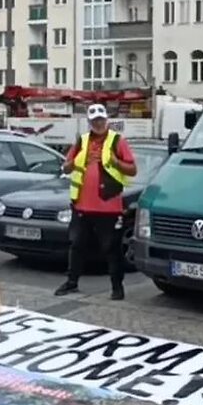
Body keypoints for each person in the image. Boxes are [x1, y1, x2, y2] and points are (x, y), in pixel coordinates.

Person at [54, 104, 137, 301]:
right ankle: (72, 282)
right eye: (94, 120)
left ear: (106, 120)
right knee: (76, 245)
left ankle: (117, 288)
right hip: (82, 205)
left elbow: (132, 170)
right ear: (89, 122)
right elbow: (65, 168)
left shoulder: (117, 141)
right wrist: (74, 162)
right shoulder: (81, 141)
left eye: (101, 119)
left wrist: (116, 162)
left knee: (111, 248)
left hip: (108, 206)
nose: (98, 123)